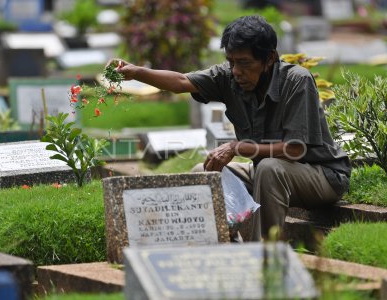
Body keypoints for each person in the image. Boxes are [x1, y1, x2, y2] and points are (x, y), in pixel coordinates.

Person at [107, 15, 351, 241]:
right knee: (203, 172)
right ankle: (221, 250)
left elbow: (295, 150)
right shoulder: (229, 77)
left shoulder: (297, 81)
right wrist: (136, 72)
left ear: (269, 58)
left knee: (269, 168)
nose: (236, 71)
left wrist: (237, 147)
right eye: (231, 62)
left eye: (244, 63)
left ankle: (265, 257)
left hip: (321, 175)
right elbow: (182, 82)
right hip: (269, 172)